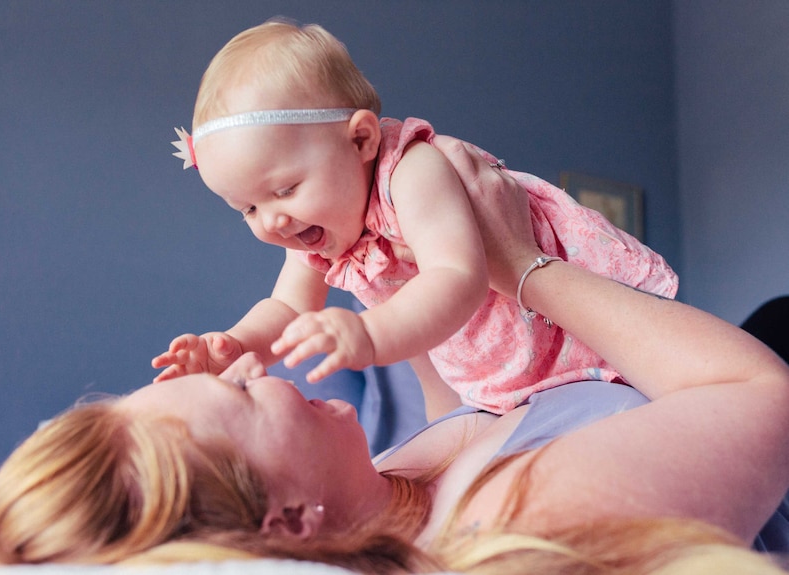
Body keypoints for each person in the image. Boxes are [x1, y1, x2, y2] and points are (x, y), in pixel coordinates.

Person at [0, 138, 789, 574]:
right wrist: (518, 264)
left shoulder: (378, 492)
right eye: (245, 399)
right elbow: (760, 393)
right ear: (287, 520)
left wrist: (397, 277)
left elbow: (468, 420)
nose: (256, 368)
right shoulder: (527, 528)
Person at [154, 19, 678, 416]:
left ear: (360, 139)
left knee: (636, 392)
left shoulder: (411, 170)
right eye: (247, 208)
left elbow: (458, 276)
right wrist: (239, 345)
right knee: (452, 437)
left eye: (285, 189)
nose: (272, 221)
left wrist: (368, 335)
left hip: (562, 323)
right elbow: (287, 306)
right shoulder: (314, 235)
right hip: (479, 369)